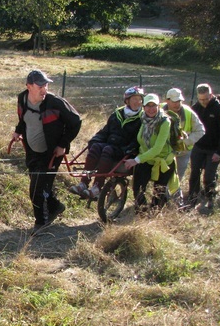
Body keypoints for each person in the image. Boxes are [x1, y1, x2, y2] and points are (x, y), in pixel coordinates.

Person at [13, 70, 82, 235]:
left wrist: (63, 144)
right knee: (39, 183)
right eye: (40, 86)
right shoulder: (22, 99)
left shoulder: (55, 103)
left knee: (37, 188)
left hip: (52, 152)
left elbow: (76, 122)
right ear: (29, 86)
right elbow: (23, 120)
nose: (44, 89)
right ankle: (55, 207)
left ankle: (41, 223)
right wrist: (18, 131)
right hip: (32, 151)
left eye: (46, 85)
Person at [68, 86, 144, 200]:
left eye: (140, 99)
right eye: (134, 99)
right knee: (95, 147)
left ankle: (97, 186)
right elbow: (105, 131)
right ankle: (84, 182)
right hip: (111, 145)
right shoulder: (117, 114)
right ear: (127, 101)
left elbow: (138, 139)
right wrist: (95, 140)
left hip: (125, 149)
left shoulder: (142, 118)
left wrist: (129, 149)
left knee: (107, 150)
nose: (137, 102)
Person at [124, 93, 175, 212]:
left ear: (158, 106)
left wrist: (136, 160)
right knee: (137, 188)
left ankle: (154, 216)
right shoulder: (143, 118)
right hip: (146, 158)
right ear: (143, 107)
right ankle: (142, 212)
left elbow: (157, 148)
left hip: (163, 161)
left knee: (158, 193)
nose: (151, 109)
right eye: (148, 106)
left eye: (154, 106)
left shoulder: (164, 122)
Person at [184, 83, 220, 211]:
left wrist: (219, 152)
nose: (203, 102)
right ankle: (192, 199)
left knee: (209, 177)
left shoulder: (219, 109)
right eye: (201, 99)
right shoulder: (195, 108)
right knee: (194, 174)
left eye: (206, 99)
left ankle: (210, 197)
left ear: (211, 95)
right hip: (198, 147)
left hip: (213, 149)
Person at [162, 87, 205, 204]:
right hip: (165, 152)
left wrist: (186, 142)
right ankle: (165, 199)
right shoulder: (158, 110)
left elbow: (201, 130)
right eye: (174, 101)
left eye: (179, 101)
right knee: (164, 176)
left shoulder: (188, 112)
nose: (177, 104)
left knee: (177, 177)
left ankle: (173, 201)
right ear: (167, 101)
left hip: (183, 152)